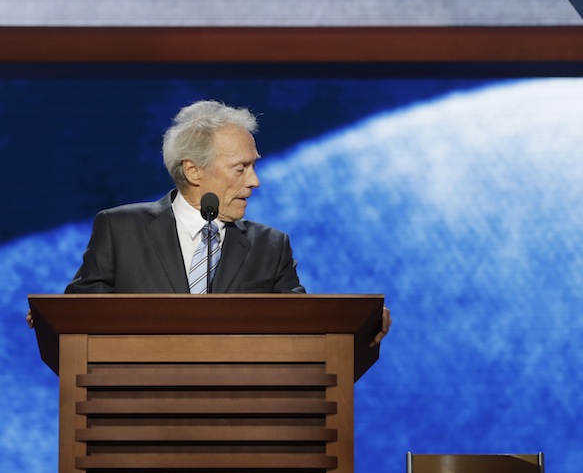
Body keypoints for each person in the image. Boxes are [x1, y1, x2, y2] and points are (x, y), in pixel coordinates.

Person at [27, 99, 391, 342]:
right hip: (138, 422)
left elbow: (305, 329)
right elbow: (78, 319)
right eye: (241, 168)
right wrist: (51, 320)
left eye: (255, 165)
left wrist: (359, 326)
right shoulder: (120, 229)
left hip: (238, 429)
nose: (255, 181)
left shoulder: (271, 246)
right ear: (193, 170)